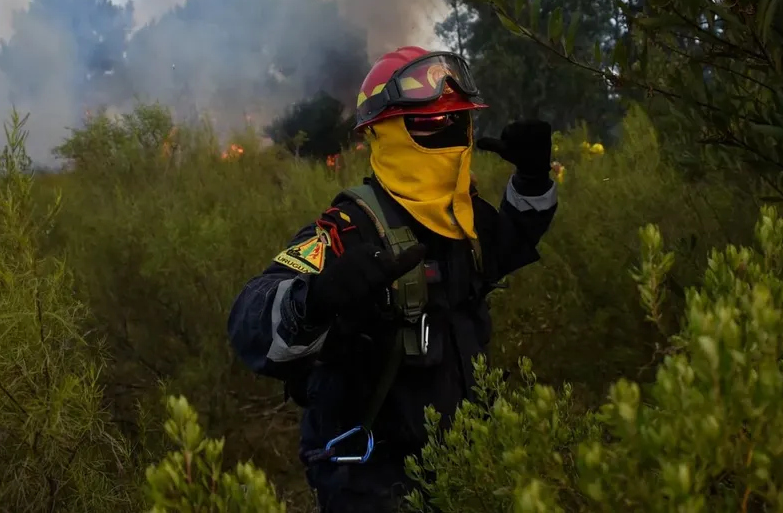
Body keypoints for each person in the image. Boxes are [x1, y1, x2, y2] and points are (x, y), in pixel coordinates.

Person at [227, 46, 558, 512]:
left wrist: (532, 179)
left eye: (459, 120)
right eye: (430, 124)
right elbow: (249, 320)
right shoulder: (348, 230)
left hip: (467, 467)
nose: (450, 135)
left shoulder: (463, 219)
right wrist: (314, 299)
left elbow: (510, 241)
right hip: (373, 484)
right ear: (383, 134)